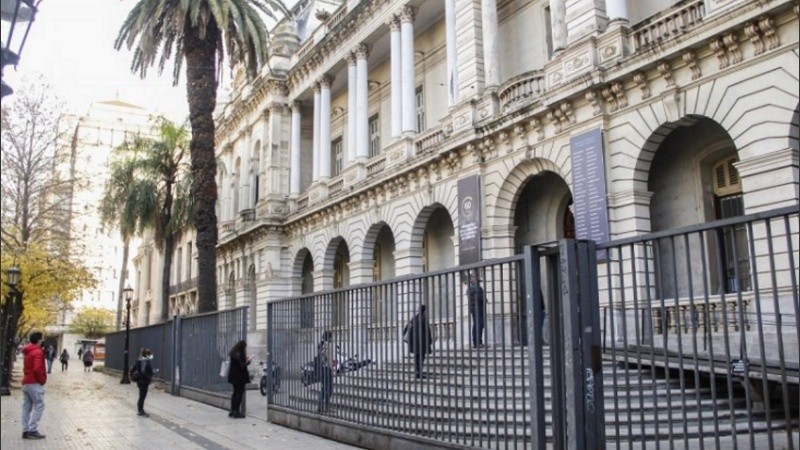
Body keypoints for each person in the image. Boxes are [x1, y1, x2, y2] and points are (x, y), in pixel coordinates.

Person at [21, 331, 47, 440]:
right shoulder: (38, 352)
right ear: (39, 340)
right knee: (39, 405)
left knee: (26, 407)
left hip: (26, 381)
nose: (43, 340)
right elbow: (37, 369)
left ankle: (25, 430)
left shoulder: (28, 351)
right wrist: (42, 380)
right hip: (34, 382)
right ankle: (32, 430)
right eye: (42, 338)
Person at [407, 304, 433, 379]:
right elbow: (427, 331)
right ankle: (419, 373)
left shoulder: (414, 318)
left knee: (416, 358)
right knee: (421, 359)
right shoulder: (424, 319)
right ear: (424, 311)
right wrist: (429, 341)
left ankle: (416, 372)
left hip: (415, 343)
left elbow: (410, 330)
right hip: (422, 343)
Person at [227, 340, 252, 418]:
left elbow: (238, 362)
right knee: (239, 393)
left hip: (233, 376)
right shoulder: (239, 353)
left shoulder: (234, 353)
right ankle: (237, 412)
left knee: (235, 393)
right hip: (239, 377)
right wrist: (249, 361)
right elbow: (242, 365)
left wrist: (244, 358)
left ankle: (232, 410)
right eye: (244, 347)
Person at [316, 331, 336, 413]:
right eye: (331, 337)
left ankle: (321, 406)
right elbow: (329, 358)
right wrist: (333, 369)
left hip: (322, 368)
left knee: (324, 388)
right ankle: (325, 407)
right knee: (329, 389)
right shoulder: (328, 346)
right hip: (327, 369)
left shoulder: (321, 345)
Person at [467, 271, 487, 348]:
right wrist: (485, 300)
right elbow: (480, 298)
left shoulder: (469, 289)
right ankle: (479, 342)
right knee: (479, 325)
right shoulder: (477, 288)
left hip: (473, 310)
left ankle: (475, 342)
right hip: (479, 309)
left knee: (475, 326)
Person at [134, 348, 155, 417]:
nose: (150, 356)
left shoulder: (139, 360)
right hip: (143, 381)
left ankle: (140, 410)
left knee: (141, 396)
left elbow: (135, 369)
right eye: (149, 354)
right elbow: (143, 371)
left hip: (140, 381)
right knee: (142, 396)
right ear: (146, 355)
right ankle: (140, 410)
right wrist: (149, 378)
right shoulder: (144, 361)